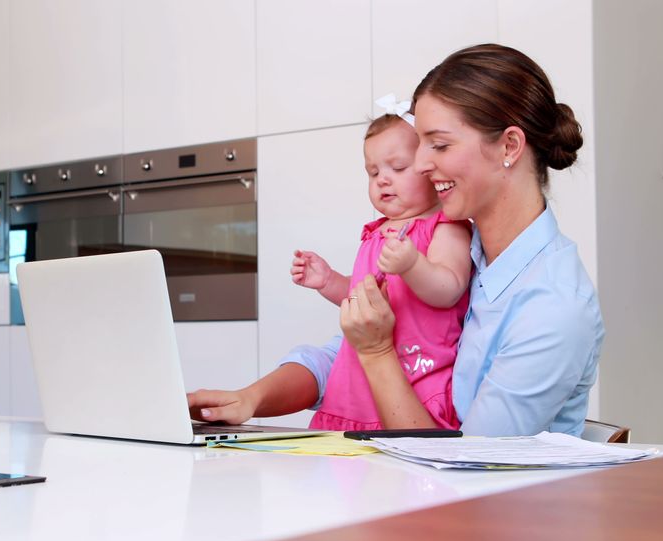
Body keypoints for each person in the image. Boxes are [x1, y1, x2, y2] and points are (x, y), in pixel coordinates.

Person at [187, 43, 604, 437]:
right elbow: (342, 356)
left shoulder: (553, 306)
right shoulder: (464, 257)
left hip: (477, 510)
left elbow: (470, 471)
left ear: (509, 146)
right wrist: (249, 399)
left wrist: (377, 352)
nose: (422, 164)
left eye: (438, 144)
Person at [289, 109, 472, 431]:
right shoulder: (376, 232)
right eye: (373, 173)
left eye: (398, 167)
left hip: (416, 380)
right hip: (358, 387)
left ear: (431, 169)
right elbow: (367, 298)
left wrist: (413, 264)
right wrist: (329, 281)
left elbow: (449, 289)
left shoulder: (444, 226)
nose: (382, 179)